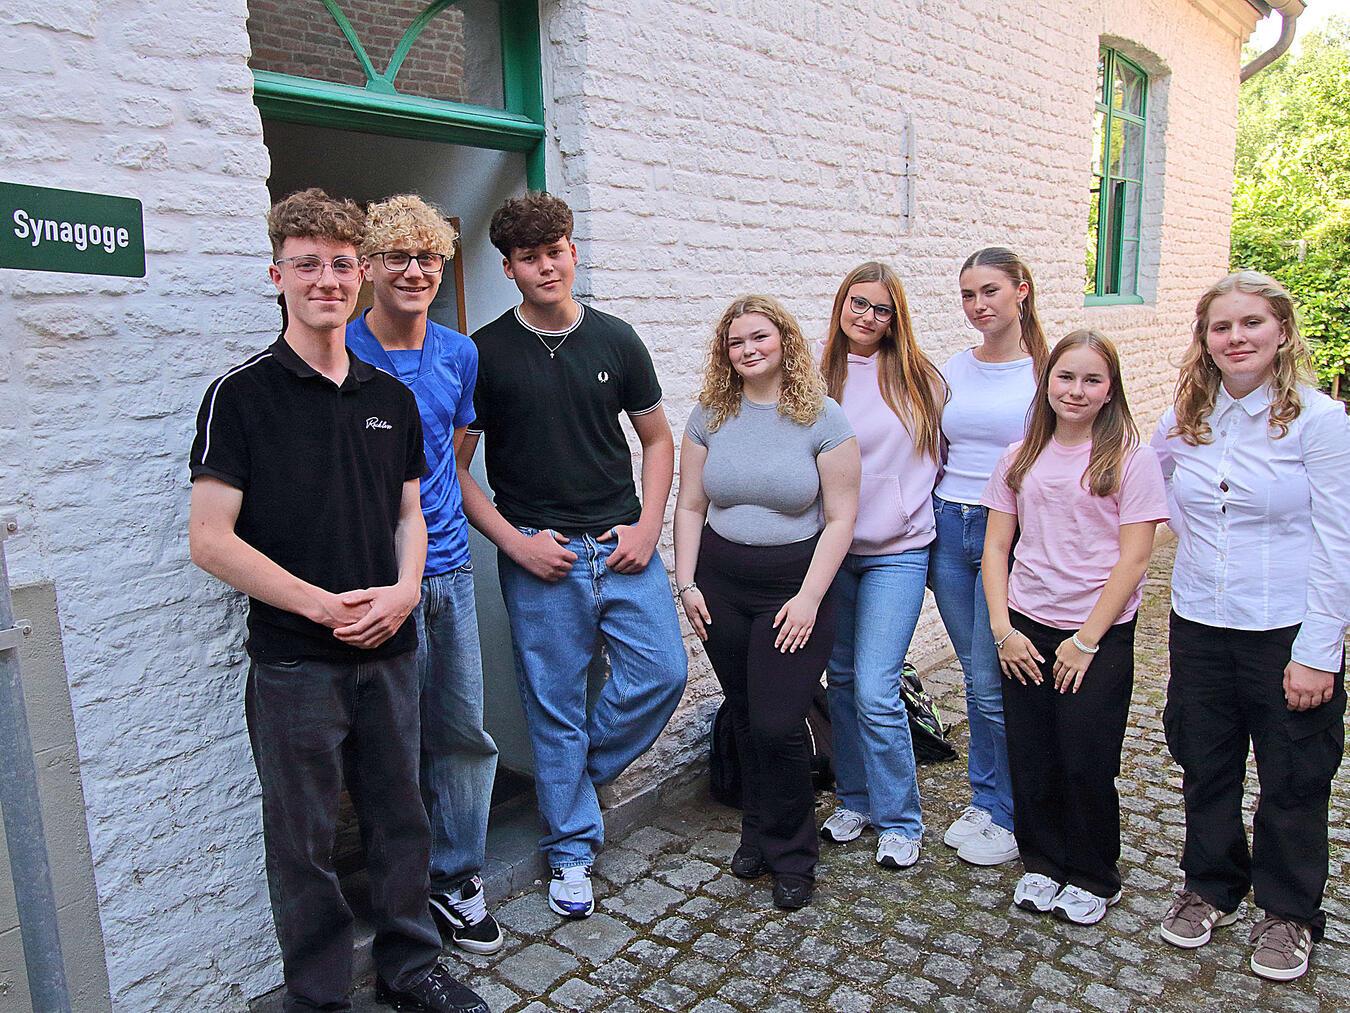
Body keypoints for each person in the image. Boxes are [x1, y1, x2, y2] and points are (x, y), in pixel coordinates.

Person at [188, 189, 487, 1013]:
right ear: (277, 274)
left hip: (392, 647)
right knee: (305, 838)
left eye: (341, 264)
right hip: (295, 661)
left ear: (360, 277)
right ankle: (318, 995)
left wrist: (404, 590)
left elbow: (411, 515)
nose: (326, 279)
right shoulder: (240, 396)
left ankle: (410, 968)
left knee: (401, 817)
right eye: (308, 263)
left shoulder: (390, 398)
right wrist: (321, 607)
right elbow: (210, 539)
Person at [456, 192, 688, 920]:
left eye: (555, 251)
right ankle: (571, 849)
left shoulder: (616, 339)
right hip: (541, 556)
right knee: (552, 704)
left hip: (622, 546)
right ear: (509, 268)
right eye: (529, 258)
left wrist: (649, 526)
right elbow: (452, 469)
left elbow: (658, 440)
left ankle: (573, 779)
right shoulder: (484, 353)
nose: (545, 266)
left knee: (664, 671)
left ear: (573, 252)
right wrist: (514, 542)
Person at [1152, 271, 1349, 981]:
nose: (1236, 337)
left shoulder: (1319, 421)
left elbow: (1338, 540)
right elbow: (1150, 484)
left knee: (1294, 772)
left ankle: (1289, 910)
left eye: (1251, 323)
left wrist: (1320, 651)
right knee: (1204, 760)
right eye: (1221, 327)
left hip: (1285, 626)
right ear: (1205, 340)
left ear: (1282, 331)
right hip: (1200, 621)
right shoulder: (1186, 418)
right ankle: (1210, 885)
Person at [345, 194, 503, 956]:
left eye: (428, 257)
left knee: (461, 730)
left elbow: (453, 443)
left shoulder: (459, 353)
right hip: (378, 578)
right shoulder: (341, 348)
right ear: (370, 266)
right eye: (398, 256)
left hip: (451, 571)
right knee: (389, 740)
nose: (414, 270)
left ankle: (457, 877)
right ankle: (400, 885)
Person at [674, 295, 860, 910]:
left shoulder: (822, 417)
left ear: (784, 341)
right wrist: (687, 583)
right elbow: (691, 504)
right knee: (748, 714)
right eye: (736, 342)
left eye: (759, 337)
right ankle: (757, 830)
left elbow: (841, 518)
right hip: (721, 586)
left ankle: (793, 854)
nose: (748, 349)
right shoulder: (710, 414)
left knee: (780, 723)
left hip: (794, 588)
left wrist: (810, 598)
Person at [981, 330, 1167, 926]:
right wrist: (1003, 629)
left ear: (1110, 390)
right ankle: (1042, 861)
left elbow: (1135, 559)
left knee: (1086, 759)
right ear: (1047, 383)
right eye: (1065, 377)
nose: (1076, 390)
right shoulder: (1018, 457)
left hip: (1096, 633)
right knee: (1032, 754)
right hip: (1025, 627)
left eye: (1092, 380)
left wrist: (1086, 641)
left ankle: (1092, 874)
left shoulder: (1131, 459)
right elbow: (995, 548)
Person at [815, 263, 945, 869]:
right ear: (842, 305)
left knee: (875, 687)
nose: (867, 317)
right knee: (840, 680)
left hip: (898, 551)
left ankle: (899, 818)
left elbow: (945, 457)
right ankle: (856, 798)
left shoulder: (921, 379)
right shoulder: (817, 375)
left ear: (896, 320)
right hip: (832, 552)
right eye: (858, 303)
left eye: (882, 309)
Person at [929, 247, 1047, 866]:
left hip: (1009, 532)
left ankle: (1009, 811)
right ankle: (987, 797)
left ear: (1021, 291)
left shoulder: (1046, 372)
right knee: (979, 678)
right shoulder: (955, 367)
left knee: (989, 678)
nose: (978, 306)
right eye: (968, 295)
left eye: (990, 291)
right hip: (949, 528)